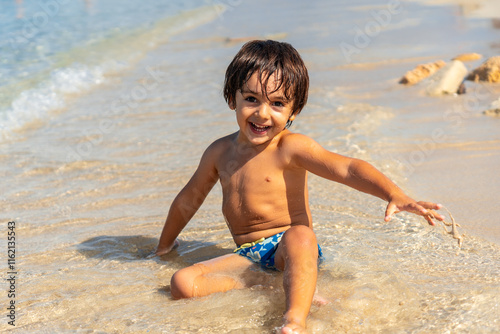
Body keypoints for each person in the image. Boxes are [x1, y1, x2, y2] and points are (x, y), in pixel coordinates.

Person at [154, 40, 444, 334]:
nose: (263, 114)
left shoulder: (290, 147)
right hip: (249, 257)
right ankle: (272, 284)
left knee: (301, 236)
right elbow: (189, 199)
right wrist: (163, 246)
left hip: (290, 249)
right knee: (182, 283)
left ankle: (294, 320)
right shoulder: (218, 152)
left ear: (294, 110)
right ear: (233, 98)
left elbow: (347, 168)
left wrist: (394, 193)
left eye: (277, 104)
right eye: (252, 99)